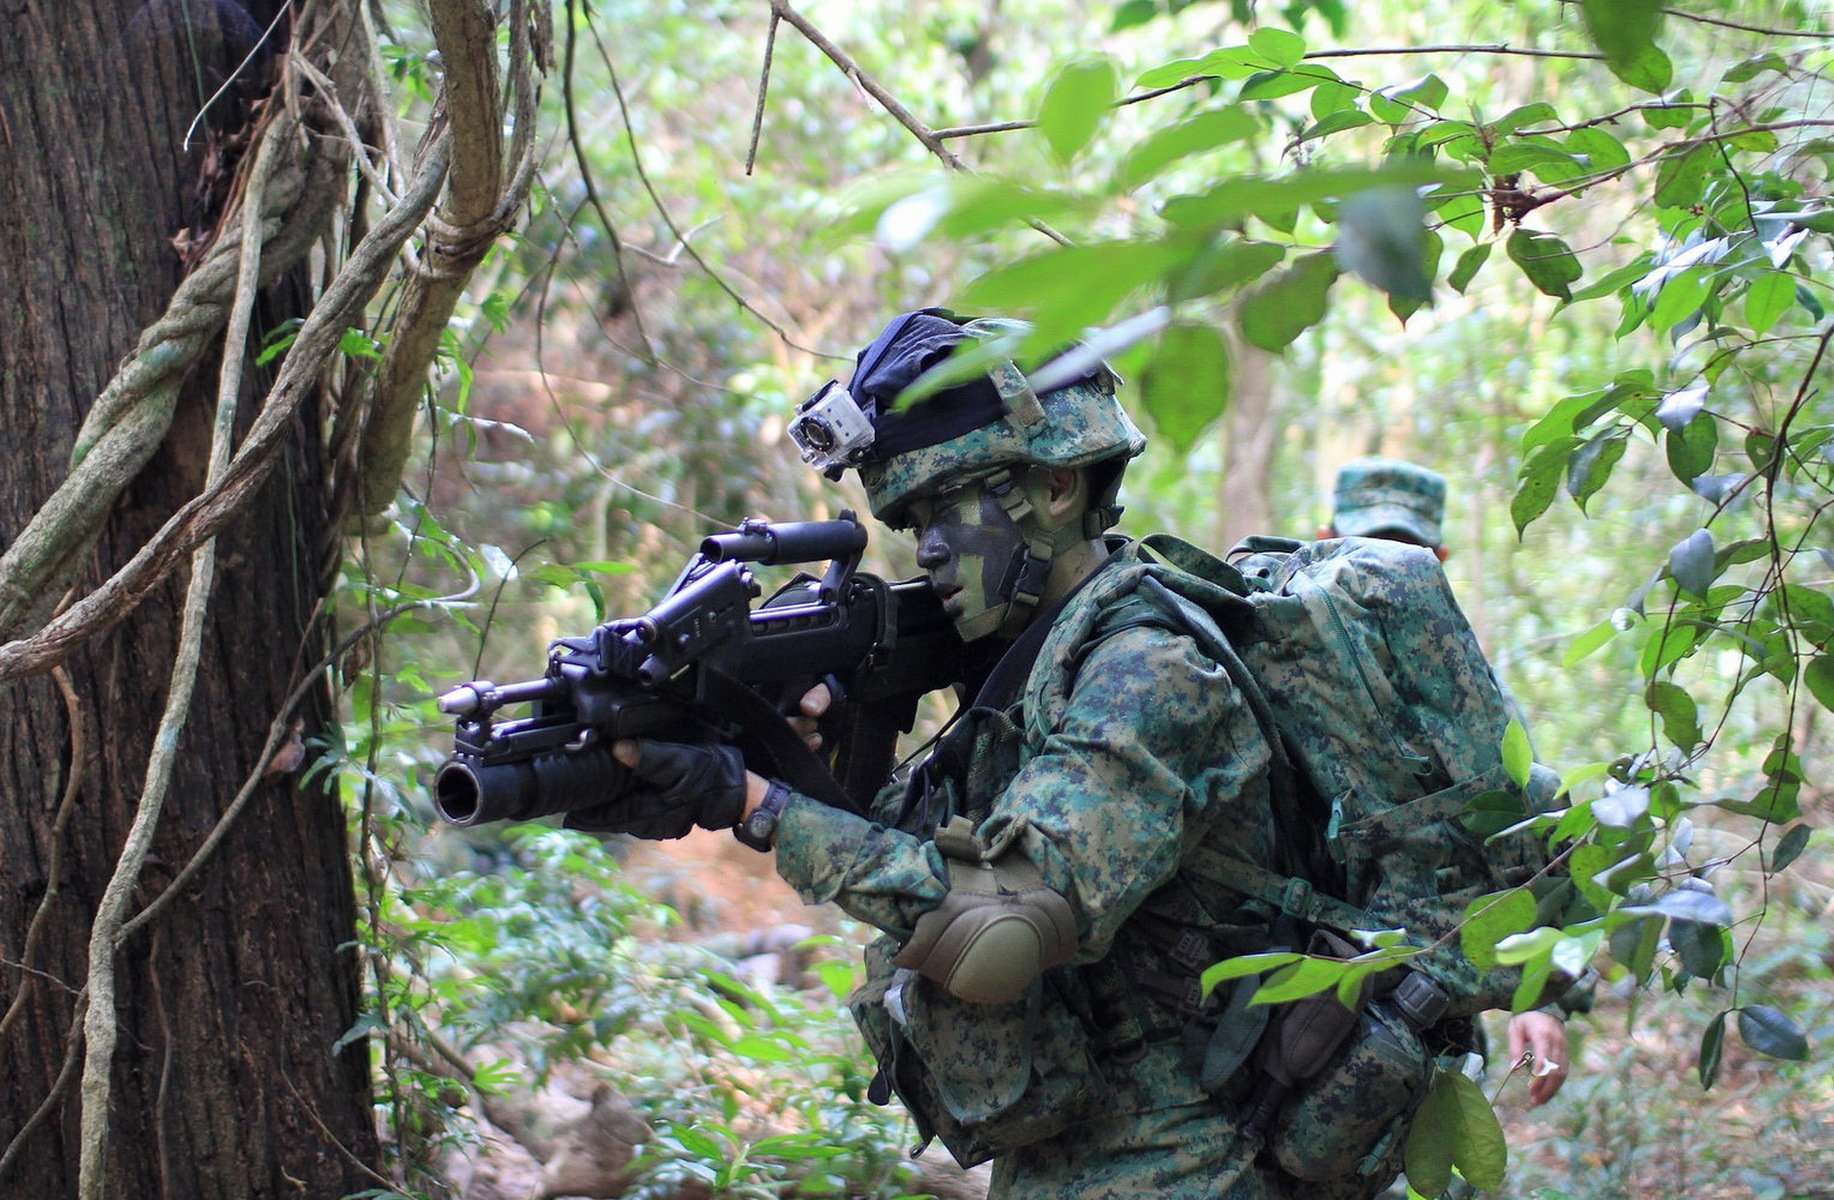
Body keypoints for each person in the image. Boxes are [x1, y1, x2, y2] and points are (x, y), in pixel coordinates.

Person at [561, 312, 1510, 1198]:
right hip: (1085, 1150)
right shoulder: (1023, 669)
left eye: (948, 511)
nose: (927, 550)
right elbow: (929, 860)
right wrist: (794, 746)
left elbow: (998, 932)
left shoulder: (1149, 666)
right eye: (911, 525)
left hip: (1197, 1159)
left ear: (1057, 488)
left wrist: (761, 805)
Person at [1322, 456, 1579, 1109]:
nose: (1383, 573)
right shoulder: (1269, 653)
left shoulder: (1469, 700)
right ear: (1323, 543)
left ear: (1438, 559)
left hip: (1425, 1015)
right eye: (1365, 548)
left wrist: (1540, 996)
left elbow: (1523, 846)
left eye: (1406, 555)